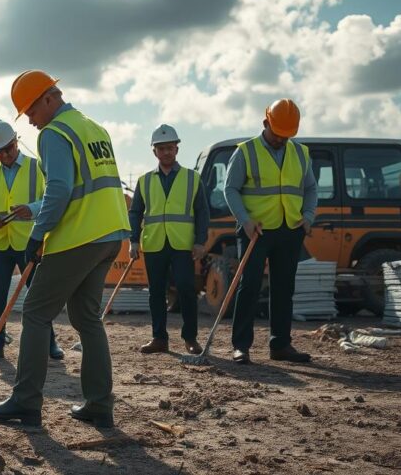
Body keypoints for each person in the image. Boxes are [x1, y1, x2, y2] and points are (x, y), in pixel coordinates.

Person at [0, 70, 128, 428]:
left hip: (79, 235)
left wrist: (37, 236)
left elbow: (61, 189)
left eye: (30, 111)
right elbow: (83, 184)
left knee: (34, 313)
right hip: (110, 233)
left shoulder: (55, 133)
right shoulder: (93, 127)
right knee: (86, 318)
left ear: (49, 98)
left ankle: (26, 402)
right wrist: (36, 213)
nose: (29, 122)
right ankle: (99, 404)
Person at [225, 98, 317, 364]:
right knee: (250, 285)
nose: (282, 139)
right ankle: (241, 346)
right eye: (278, 134)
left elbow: (310, 188)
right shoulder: (245, 151)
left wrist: (308, 216)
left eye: (287, 135)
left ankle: (280, 345)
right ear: (266, 123)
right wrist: (245, 220)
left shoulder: (300, 153)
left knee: (283, 287)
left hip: (291, 229)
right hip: (256, 230)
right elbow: (230, 189)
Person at [0, 119, 62, 362]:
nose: (4, 155)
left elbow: (53, 198)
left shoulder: (37, 168)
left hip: (29, 242)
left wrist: (31, 209)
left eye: (7, 149)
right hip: (1, 244)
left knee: (37, 294)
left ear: (16, 141)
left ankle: (49, 344)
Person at [128, 124, 209, 355]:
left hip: (183, 244)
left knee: (185, 287)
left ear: (177, 149)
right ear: (154, 151)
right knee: (156, 292)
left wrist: (201, 240)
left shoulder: (192, 178)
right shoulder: (144, 181)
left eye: (170, 148)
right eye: (161, 148)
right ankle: (159, 338)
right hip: (154, 243)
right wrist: (133, 240)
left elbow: (202, 211)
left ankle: (190, 338)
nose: (166, 152)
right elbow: (135, 213)